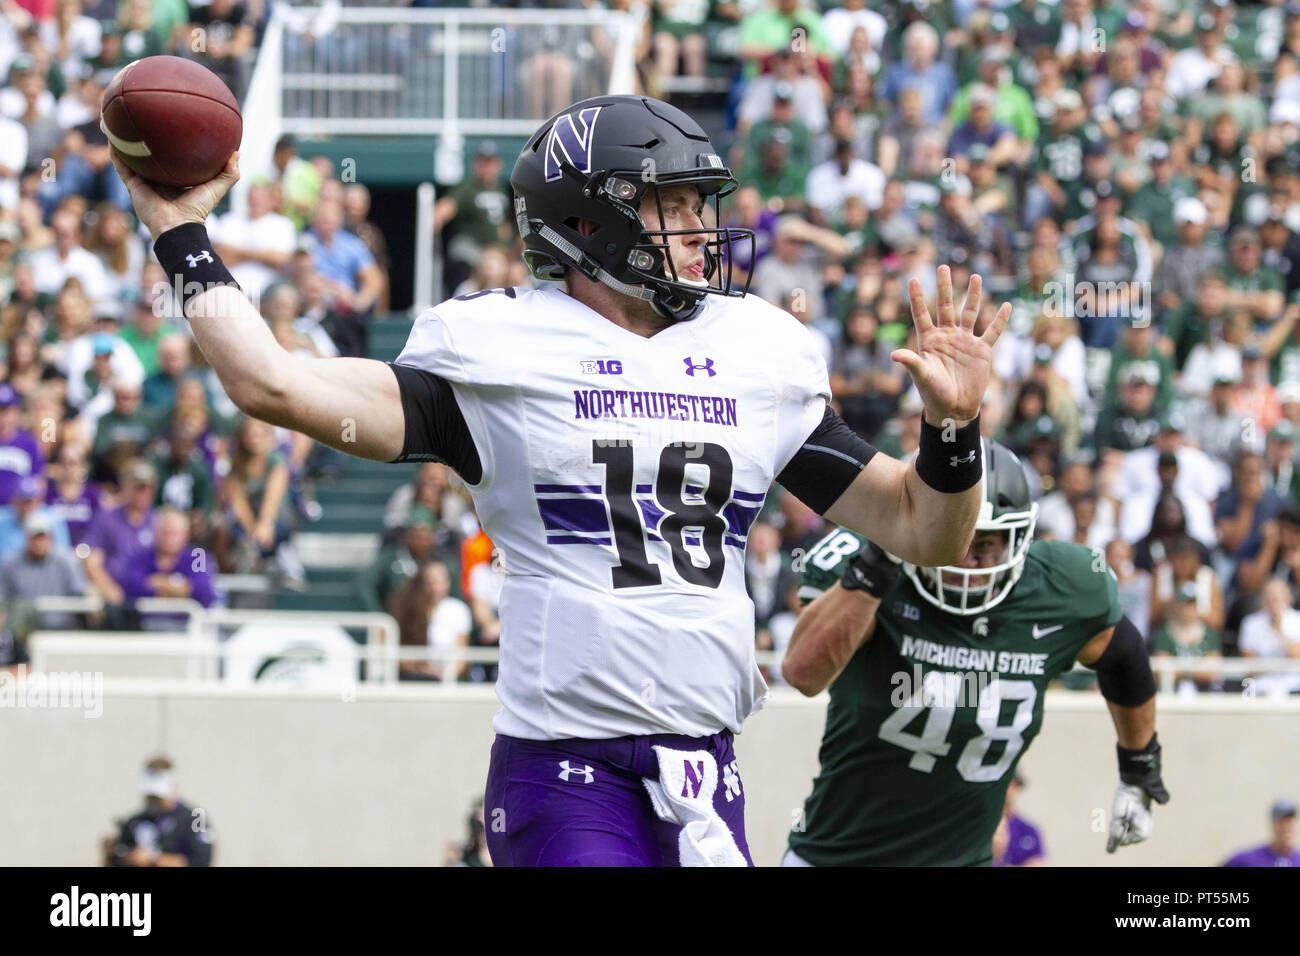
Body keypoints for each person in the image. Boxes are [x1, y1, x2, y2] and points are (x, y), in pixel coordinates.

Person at [112, 93, 1009, 868]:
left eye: (703, 203)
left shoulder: (757, 352)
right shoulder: (500, 351)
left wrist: (952, 429)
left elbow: (925, 531)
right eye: (674, 204)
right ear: (589, 223)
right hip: (567, 769)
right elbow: (271, 381)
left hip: (709, 768)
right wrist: (179, 231)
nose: (702, 229)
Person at [781, 441, 1168, 866]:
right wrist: (881, 557)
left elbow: (1124, 654)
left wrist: (1139, 769)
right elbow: (803, 672)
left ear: (1019, 536)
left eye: (987, 544)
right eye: (953, 540)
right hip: (836, 859)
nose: (968, 563)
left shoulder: (1062, 585)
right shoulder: (875, 565)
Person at [106, 756, 214, 867]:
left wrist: (153, 859)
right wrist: (115, 852)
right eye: (150, 794)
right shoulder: (135, 821)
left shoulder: (194, 819)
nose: (153, 799)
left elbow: (201, 861)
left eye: (158, 795)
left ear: (174, 787)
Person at [1222, 800, 1300, 867]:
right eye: (1281, 822)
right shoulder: (1248, 860)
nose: (1286, 827)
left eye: (1290, 822)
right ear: (1273, 824)